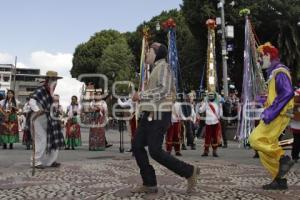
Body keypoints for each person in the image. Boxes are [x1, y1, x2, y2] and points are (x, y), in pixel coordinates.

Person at [132, 42, 200, 194]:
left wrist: (141, 95)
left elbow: (164, 90)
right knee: (137, 146)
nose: (146, 54)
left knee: (155, 151)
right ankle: (149, 183)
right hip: (149, 115)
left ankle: (189, 171)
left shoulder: (164, 67)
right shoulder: (155, 69)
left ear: (156, 53)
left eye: (149, 51)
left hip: (159, 115)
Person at [249, 42, 295, 190]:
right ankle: (279, 179)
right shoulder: (275, 72)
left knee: (255, 139)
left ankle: (283, 157)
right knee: (265, 148)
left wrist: (270, 112)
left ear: (268, 55)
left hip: (277, 115)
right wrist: (261, 100)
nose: (259, 60)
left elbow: (287, 93)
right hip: (277, 114)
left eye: (261, 57)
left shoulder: (280, 72)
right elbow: (275, 95)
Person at [29, 71, 64, 168]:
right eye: (53, 79)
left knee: (54, 138)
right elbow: (32, 101)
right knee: (42, 139)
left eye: (56, 80)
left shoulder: (51, 93)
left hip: (50, 119)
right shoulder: (41, 90)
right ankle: (35, 161)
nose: (55, 82)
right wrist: (37, 110)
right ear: (47, 80)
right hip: (38, 118)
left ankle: (51, 161)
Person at [198, 91, 223, 157]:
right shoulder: (207, 103)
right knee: (209, 137)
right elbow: (201, 110)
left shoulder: (215, 104)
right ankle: (208, 151)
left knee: (212, 137)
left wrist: (200, 105)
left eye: (211, 96)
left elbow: (200, 110)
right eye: (210, 96)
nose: (211, 97)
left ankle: (212, 151)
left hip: (213, 122)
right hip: (211, 122)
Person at [290, 82, 300, 163]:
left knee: (296, 139)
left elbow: (290, 105)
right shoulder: (296, 93)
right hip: (297, 120)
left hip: (296, 120)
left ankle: (295, 156)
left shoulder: (295, 92)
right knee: (297, 139)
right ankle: (295, 155)